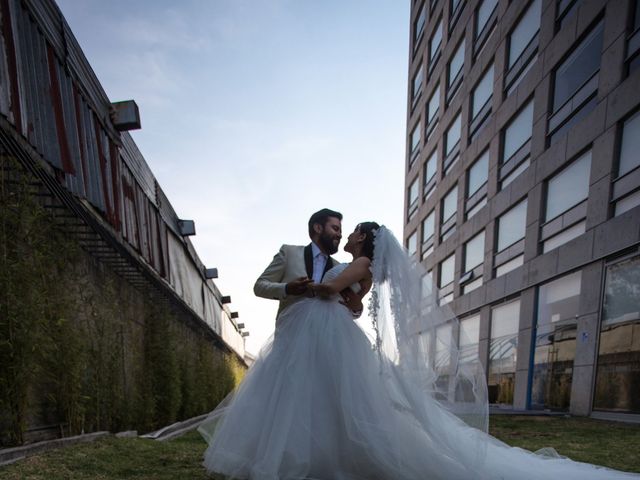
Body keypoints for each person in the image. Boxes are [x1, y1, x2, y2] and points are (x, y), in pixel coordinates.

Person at [199, 223, 639, 479]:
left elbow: (335, 290)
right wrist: (337, 295)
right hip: (331, 331)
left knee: (324, 395)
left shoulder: (360, 263)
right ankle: (321, 452)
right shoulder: (365, 269)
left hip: (322, 329)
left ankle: (311, 454)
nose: (346, 234)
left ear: (364, 241)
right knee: (331, 397)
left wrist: (303, 288)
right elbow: (353, 304)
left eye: (351, 232)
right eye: (341, 229)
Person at [253, 208, 362, 326]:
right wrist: (287, 288)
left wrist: (357, 308)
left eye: (340, 231)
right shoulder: (289, 253)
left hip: (326, 336)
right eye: (335, 229)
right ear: (318, 228)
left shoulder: (339, 268)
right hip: (290, 335)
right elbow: (259, 286)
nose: (340, 235)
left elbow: (350, 307)